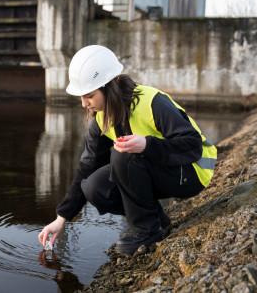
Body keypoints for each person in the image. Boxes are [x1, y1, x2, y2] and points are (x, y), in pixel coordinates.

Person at [38, 45, 217, 254]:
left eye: (89, 95)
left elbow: (192, 145)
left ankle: (146, 230)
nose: (84, 104)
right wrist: (61, 219)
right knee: (93, 187)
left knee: (122, 155)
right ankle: (156, 219)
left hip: (192, 172)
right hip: (163, 169)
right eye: (81, 97)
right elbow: (86, 169)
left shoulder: (152, 102)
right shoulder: (102, 120)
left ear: (109, 86)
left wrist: (147, 145)